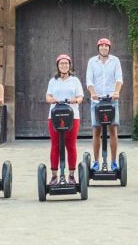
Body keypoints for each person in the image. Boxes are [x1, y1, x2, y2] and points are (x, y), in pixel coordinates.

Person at [45, 53, 84, 185]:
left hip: (72, 117)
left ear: (69, 65)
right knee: (55, 145)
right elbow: (48, 97)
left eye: (66, 63)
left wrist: (76, 100)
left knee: (71, 145)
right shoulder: (53, 81)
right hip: (54, 117)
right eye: (61, 63)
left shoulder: (75, 80)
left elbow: (80, 97)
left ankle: (72, 175)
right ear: (58, 66)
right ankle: (54, 176)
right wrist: (51, 99)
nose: (64, 65)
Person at [85, 37, 123, 171]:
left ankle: (113, 162)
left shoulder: (115, 61)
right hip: (97, 101)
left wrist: (117, 92)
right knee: (96, 130)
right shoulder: (92, 62)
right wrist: (93, 92)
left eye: (106, 46)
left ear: (109, 48)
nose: (104, 48)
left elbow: (119, 78)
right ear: (98, 48)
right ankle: (96, 162)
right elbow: (89, 80)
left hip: (112, 101)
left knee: (113, 130)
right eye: (101, 46)